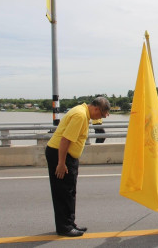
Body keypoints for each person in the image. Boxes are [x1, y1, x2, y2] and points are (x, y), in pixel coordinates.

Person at [45, 97, 110, 237]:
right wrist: (61, 163)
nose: (100, 118)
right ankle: (64, 227)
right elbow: (65, 140)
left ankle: (70, 222)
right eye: (101, 115)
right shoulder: (80, 115)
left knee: (69, 191)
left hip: (67, 156)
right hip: (61, 154)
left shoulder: (83, 112)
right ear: (96, 108)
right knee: (63, 192)